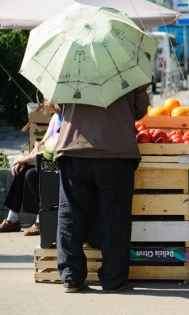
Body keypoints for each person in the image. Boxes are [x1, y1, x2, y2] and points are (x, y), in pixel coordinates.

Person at [54, 84, 150, 293]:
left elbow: (57, 106)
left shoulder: (70, 66)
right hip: (116, 153)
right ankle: (113, 279)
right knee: (115, 216)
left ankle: (71, 276)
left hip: (73, 149)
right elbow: (139, 111)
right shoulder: (126, 66)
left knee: (70, 214)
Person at [1, 101, 62, 235]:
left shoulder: (66, 120)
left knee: (31, 175)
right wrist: (25, 159)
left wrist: (25, 159)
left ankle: (41, 221)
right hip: (46, 159)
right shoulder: (54, 119)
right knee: (21, 169)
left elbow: (51, 150)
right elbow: (43, 144)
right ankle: (13, 219)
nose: (44, 104)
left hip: (58, 163)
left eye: (47, 100)